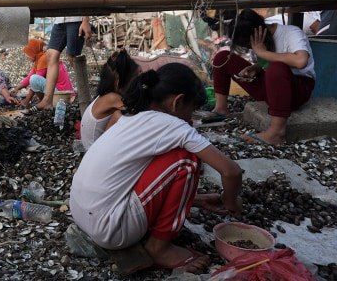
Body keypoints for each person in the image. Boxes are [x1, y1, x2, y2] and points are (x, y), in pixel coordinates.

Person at [70, 63, 243, 274]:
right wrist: (230, 201)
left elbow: (129, 176)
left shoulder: (129, 116)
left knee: (169, 159)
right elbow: (231, 171)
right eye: (192, 109)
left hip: (82, 211)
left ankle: (153, 238)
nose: (191, 117)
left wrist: (194, 198)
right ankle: (159, 248)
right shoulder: (174, 125)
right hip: (109, 228)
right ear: (178, 101)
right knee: (187, 160)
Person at [209, 8, 315, 145]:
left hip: (298, 90)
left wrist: (263, 53)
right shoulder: (260, 43)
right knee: (222, 57)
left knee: (276, 68)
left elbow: (300, 61)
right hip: (273, 88)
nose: (252, 49)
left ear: (259, 32)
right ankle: (221, 109)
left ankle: (276, 133)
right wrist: (256, 68)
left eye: (249, 45)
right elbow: (267, 63)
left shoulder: (291, 32)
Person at [80, 49, 139, 150]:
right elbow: (140, 112)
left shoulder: (103, 96)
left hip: (93, 150)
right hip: (95, 152)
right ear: (118, 80)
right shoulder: (112, 99)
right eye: (134, 78)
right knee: (123, 116)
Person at [34, 16, 92, 110]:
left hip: (76, 19)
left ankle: (87, 96)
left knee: (73, 57)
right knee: (51, 55)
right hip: (60, 20)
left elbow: (86, 0)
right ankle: (47, 100)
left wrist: (85, 20)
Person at [10, 38, 73, 107]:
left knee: (34, 79)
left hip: (61, 93)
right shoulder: (39, 59)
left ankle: (45, 101)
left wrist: (26, 101)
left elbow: (34, 82)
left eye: (28, 54)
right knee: (32, 78)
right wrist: (16, 88)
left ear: (33, 52)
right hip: (58, 91)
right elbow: (28, 78)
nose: (27, 57)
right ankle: (44, 100)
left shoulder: (43, 59)